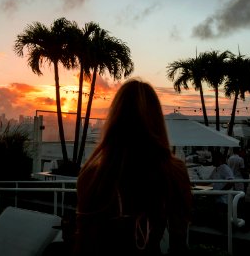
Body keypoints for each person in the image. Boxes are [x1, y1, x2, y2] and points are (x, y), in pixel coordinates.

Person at [73, 79, 193, 255]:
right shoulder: (173, 171)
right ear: (157, 120)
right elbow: (179, 240)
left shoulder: (92, 175)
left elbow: (84, 241)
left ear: (115, 119)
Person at [209, 150, 234, 230]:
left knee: (223, 214)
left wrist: (221, 192)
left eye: (214, 158)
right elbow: (209, 180)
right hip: (218, 197)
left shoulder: (225, 168)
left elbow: (231, 182)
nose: (212, 160)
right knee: (218, 214)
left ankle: (225, 230)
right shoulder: (215, 169)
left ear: (218, 159)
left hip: (224, 198)